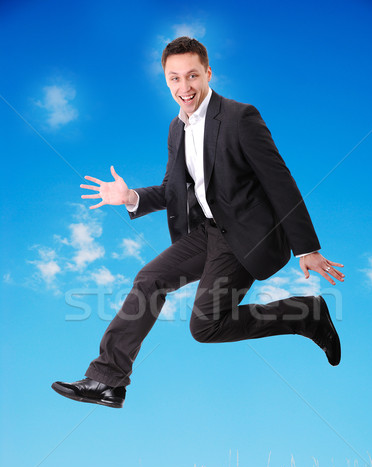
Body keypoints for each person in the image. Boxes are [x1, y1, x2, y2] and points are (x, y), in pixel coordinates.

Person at [52, 37, 344, 409]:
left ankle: (308, 315)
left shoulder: (240, 117)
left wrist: (307, 247)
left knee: (205, 327)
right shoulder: (177, 129)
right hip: (207, 230)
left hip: (246, 236)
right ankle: (107, 380)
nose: (184, 87)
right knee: (149, 278)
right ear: (166, 81)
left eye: (192, 76)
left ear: (208, 73)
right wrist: (130, 198)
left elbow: (279, 180)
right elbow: (174, 190)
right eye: (174, 79)